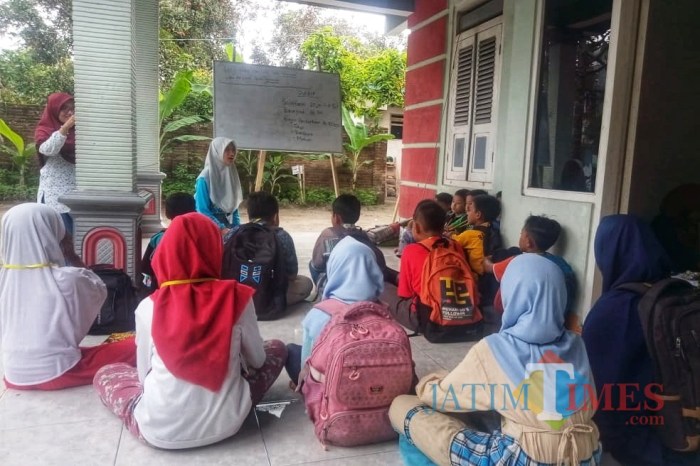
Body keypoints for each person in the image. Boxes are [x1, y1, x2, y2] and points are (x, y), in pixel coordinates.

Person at [93, 212, 287, 449]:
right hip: (230, 422)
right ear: (215, 250)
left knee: (107, 373)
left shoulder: (147, 308)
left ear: (166, 252)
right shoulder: (237, 297)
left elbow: (144, 377)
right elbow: (258, 361)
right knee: (276, 348)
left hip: (159, 432)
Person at [389, 254, 601, 466]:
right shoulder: (576, 344)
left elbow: (439, 397)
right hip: (585, 455)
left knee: (403, 407)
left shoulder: (495, 348)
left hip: (522, 459)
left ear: (513, 293)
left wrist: (429, 382)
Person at [582, 215, 700, 466]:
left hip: (642, 443)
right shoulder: (677, 291)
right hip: (687, 426)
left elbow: (601, 389)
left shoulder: (616, 308)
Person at [0, 203, 136, 390]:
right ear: (52, 232)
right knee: (141, 344)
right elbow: (99, 289)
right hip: (60, 372)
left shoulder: (4, 279)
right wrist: (72, 255)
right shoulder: (67, 279)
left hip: (13, 375)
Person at [285, 236, 384, 385]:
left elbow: (306, 366)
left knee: (290, 351)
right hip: (376, 391)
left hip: (334, 398)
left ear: (334, 267)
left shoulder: (319, 314)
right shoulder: (383, 312)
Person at [224, 191, 312, 306]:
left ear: (249, 214)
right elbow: (292, 275)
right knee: (306, 283)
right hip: (269, 298)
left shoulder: (233, 233)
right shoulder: (282, 236)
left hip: (238, 295)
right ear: (275, 216)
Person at [486, 215, 576, 317]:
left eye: (521, 234)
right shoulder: (560, 263)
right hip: (555, 316)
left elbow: (488, 268)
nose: (520, 237)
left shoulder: (517, 261)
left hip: (520, 316)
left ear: (528, 242)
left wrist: (486, 259)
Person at [381, 200, 447, 332]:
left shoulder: (411, 250)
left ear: (415, 227)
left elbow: (405, 294)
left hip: (425, 318)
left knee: (381, 286)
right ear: (443, 226)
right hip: (461, 313)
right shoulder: (456, 246)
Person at [34, 92, 83, 266]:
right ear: (55, 110)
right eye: (64, 108)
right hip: (57, 199)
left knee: (78, 243)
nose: (70, 112)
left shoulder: (80, 132)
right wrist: (65, 129)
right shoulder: (45, 130)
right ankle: (64, 279)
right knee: (63, 243)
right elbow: (47, 149)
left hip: (78, 197)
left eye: (72, 108)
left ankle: (76, 278)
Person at [309, 194, 394, 286]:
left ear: (336, 217)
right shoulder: (365, 237)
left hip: (335, 288)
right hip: (363, 288)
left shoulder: (327, 235)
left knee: (312, 264)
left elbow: (317, 265)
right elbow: (380, 268)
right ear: (357, 216)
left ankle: (321, 293)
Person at [140, 192, 196, 295]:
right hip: (201, 289)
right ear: (194, 210)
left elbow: (147, 268)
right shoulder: (206, 235)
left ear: (167, 213)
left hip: (166, 290)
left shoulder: (159, 238)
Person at [194, 137, 242, 235]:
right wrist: (221, 228)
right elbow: (202, 210)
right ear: (217, 151)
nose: (232, 153)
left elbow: (234, 207)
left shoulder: (231, 174)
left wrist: (237, 229)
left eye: (233, 150)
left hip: (230, 228)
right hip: (210, 229)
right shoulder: (205, 178)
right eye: (227, 150)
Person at [452, 194, 501, 276]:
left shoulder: (470, 234)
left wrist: (449, 235)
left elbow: (452, 242)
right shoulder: (493, 231)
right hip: (489, 274)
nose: (466, 210)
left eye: (470, 209)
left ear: (478, 214)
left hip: (476, 276)